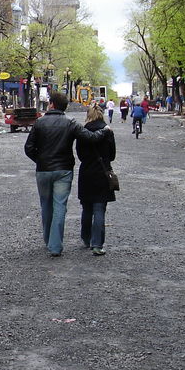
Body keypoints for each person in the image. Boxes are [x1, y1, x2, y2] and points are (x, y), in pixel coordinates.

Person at [24, 91, 111, 257]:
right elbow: (91, 137)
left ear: (51, 104)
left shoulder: (39, 122)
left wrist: (40, 160)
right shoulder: (70, 123)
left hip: (43, 170)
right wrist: (105, 130)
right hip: (63, 170)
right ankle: (55, 246)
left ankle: (48, 239)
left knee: (46, 205)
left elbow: (28, 148)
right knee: (60, 207)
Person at [76, 103, 116, 256]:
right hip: (102, 172)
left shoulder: (83, 132)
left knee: (86, 207)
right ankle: (97, 244)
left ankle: (86, 238)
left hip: (86, 172)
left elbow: (79, 154)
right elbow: (112, 155)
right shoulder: (108, 132)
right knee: (99, 208)